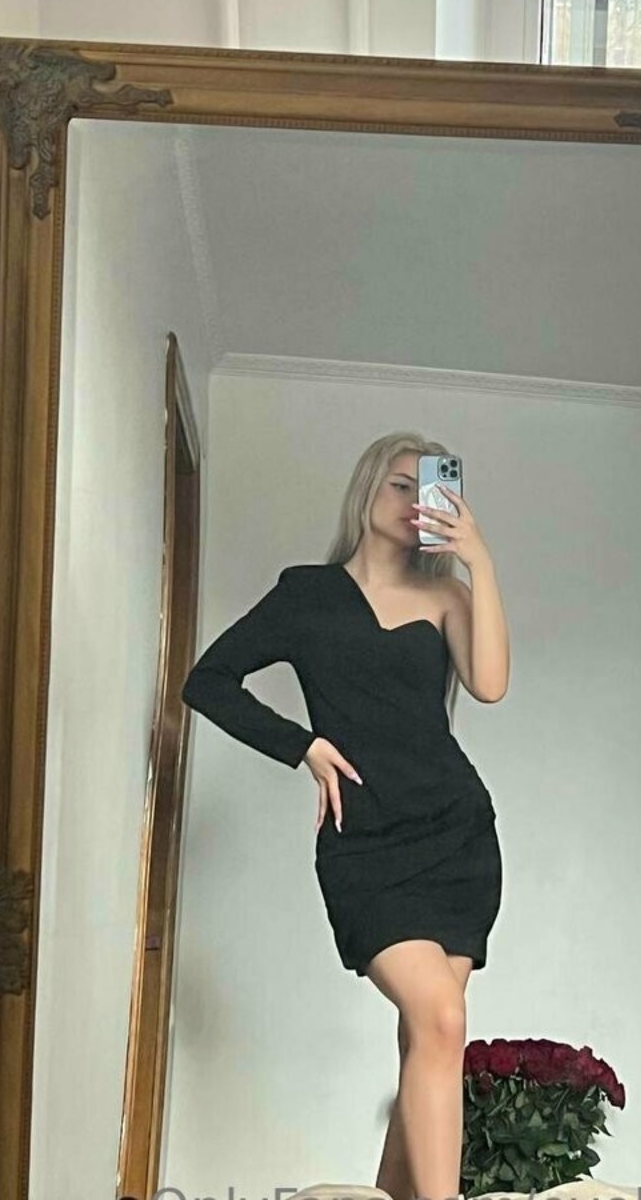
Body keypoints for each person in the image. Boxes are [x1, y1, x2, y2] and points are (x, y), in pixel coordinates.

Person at [180, 431, 510, 1200]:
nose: (412, 501)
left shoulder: (448, 598)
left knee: (429, 1033)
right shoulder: (306, 594)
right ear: (366, 488)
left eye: (427, 487)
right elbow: (209, 680)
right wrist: (301, 745)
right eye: (399, 484)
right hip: (366, 847)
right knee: (440, 1020)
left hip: (458, 837)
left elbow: (490, 683)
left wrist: (479, 560)